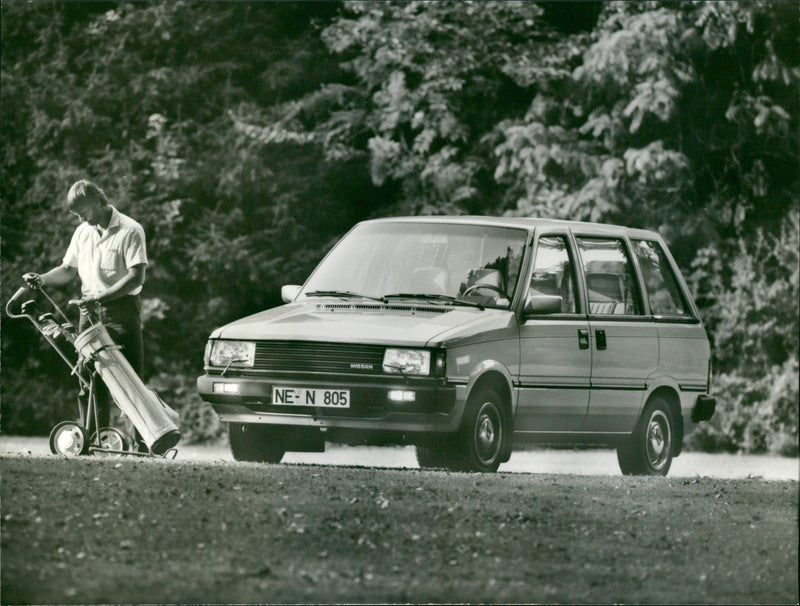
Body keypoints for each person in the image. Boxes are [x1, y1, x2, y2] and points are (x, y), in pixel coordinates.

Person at [24, 179, 148, 450]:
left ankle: (143, 446)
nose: (81, 218)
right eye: (76, 214)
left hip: (121, 311)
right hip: (88, 314)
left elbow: (136, 276)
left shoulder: (130, 229)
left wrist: (102, 297)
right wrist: (42, 279)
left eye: (83, 211)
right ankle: (93, 441)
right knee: (89, 377)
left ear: (97, 200)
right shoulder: (83, 232)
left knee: (129, 379)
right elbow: (67, 270)